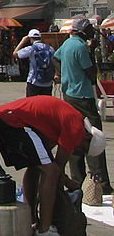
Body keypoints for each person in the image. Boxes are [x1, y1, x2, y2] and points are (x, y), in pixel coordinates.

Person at [0, 95, 105, 236]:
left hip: (1, 118)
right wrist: (70, 184)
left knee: (36, 167)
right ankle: (44, 230)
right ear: (88, 138)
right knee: (50, 171)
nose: (77, 151)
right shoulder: (77, 128)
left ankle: (31, 220)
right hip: (12, 120)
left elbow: (47, 162)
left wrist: (65, 182)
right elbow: (57, 168)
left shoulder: (68, 121)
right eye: (82, 149)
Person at [54, 16, 112, 193]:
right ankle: (99, 181)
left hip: (69, 94)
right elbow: (92, 74)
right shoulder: (80, 47)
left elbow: (55, 58)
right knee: (94, 135)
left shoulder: (67, 44)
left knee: (74, 134)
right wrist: (91, 51)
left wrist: (62, 74)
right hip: (83, 96)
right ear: (83, 30)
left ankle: (77, 179)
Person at [16, 29, 56, 98]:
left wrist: (23, 41)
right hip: (48, 82)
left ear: (30, 38)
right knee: (45, 105)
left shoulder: (31, 49)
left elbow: (15, 54)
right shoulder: (50, 48)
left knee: (31, 105)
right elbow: (55, 62)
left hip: (34, 81)